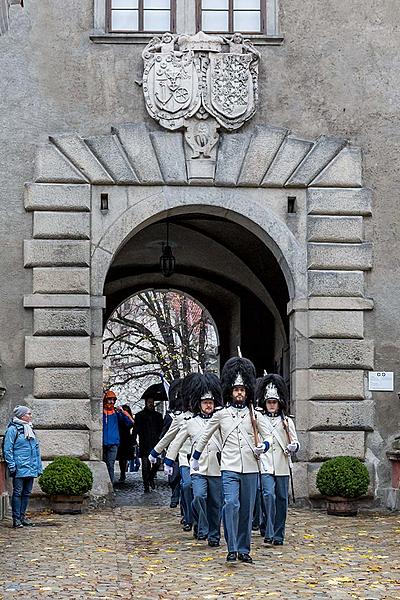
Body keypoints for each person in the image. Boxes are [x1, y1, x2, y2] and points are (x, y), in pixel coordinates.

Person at [192, 357, 271, 564]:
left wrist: (263, 446)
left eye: (242, 390)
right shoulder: (221, 414)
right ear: (230, 391)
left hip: (251, 467)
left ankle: (244, 549)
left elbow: (268, 435)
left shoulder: (255, 413)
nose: (239, 393)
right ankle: (232, 547)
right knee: (230, 504)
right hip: (229, 466)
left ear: (247, 392)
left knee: (246, 509)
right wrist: (196, 457)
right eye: (236, 389)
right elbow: (205, 436)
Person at [164, 373, 223, 547]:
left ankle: (214, 534)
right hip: (197, 467)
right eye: (205, 403)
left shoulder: (220, 420)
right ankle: (202, 525)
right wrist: (168, 461)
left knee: (215, 503)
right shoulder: (190, 422)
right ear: (199, 404)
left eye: (211, 403)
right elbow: (176, 442)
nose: (208, 406)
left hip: (216, 467)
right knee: (198, 496)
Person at [256, 374, 300, 546]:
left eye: (274, 402)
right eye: (269, 402)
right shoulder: (259, 420)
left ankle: (278, 534)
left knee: (281, 499)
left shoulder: (287, 421)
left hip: (281, 464)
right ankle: (268, 530)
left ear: (279, 402)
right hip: (266, 463)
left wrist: (293, 447)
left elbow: (295, 442)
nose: (272, 405)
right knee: (268, 495)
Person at [148, 373, 194, 530]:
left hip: (204, 458)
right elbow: (169, 436)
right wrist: (155, 452)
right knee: (186, 486)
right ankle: (188, 517)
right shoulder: (180, 417)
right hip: (184, 457)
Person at [3, 405, 42, 528]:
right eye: (28, 414)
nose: (30, 416)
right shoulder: (13, 430)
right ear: (21, 416)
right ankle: (16, 519)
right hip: (19, 467)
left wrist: (38, 467)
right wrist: (12, 465)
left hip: (30, 467)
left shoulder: (30, 429)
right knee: (18, 493)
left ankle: (22, 517)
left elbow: (36, 450)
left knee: (26, 493)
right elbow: (7, 449)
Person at [158, 378, 182, 508]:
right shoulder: (170, 417)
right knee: (173, 478)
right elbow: (165, 434)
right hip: (173, 451)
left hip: (185, 450)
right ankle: (174, 495)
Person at [133, 393, 164, 493]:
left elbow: (162, 429)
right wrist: (134, 440)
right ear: (146, 403)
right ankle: (146, 485)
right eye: (149, 402)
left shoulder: (158, 416)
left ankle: (150, 477)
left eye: (152, 402)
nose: (151, 404)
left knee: (157, 463)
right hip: (144, 443)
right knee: (145, 465)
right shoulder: (139, 416)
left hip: (156, 444)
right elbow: (135, 430)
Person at [102, 390, 133, 484]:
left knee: (110, 465)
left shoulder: (116, 413)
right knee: (104, 465)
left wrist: (123, 412)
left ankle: (109, 485)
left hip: (113, 443)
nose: (111, 402)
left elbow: (130, 422)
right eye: (109, 399)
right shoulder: (101, 412)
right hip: (102, 443)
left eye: (113, 400)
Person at [116, 404, 136, 483]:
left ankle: (123, 473)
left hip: (126, 439)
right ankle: (122, 472)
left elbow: (130, 424)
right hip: (120, 437)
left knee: (124, 458)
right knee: (121, 458)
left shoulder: (127, 416)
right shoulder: (119, 415)